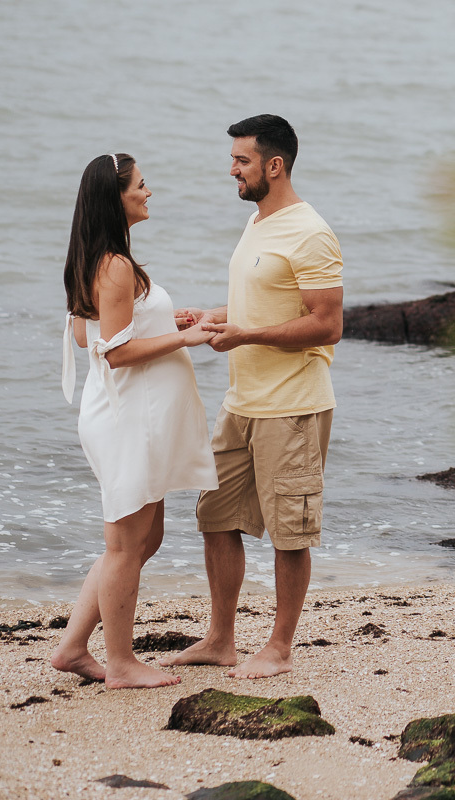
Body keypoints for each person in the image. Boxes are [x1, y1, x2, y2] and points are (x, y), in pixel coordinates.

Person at [163, 115, 344, 679]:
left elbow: (326, 324)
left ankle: (280, 649)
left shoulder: (310, 233)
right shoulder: (257, 222)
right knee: (215, 517)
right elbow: (267, 305)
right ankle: (221, 639)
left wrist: (245, 335)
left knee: (290, 532)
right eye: (232, 162)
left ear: (275, 165)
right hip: (240, 402)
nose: (232, 172)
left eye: (241, 162)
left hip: (291, 405)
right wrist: (215, 316)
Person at [52, 153, 219, 689]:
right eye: (141, 186)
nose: (150, 193)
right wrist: (186, 337)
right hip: (128, 420)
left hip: (125, 416)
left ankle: (74, 648)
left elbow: (91, 333)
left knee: (143, 541)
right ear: (116, 197)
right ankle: (120, 663)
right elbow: (114, 353)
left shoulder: (98, 257)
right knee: (127, 545)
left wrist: (166, 318)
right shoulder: (116, 264)